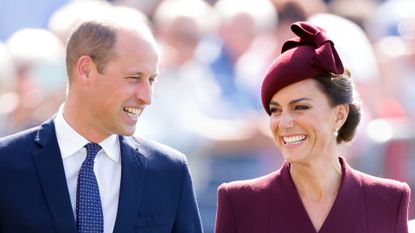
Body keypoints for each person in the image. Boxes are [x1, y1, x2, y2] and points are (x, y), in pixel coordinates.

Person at [0, 17, 203, 233]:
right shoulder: (6, 165)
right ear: (86, 69)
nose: (147, 97)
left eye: (151, 80)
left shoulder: (169, 171)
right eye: (134, 78)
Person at [215, 21, 411, 233]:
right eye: (276, 110)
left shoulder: (388, 200)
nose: (284, 123)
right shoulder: (240, 202)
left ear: (339, 115)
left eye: (300, 107)